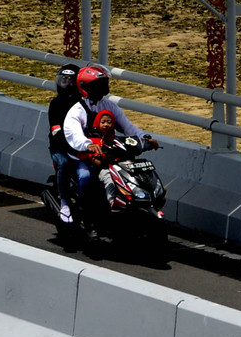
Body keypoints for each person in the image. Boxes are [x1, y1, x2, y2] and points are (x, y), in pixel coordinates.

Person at [62, 65, 158, 221]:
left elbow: (128, 127)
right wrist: (88, 144)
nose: (103, 88)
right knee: (85, 177)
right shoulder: (77, 110)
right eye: (98, 85)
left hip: (109, 153)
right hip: (86, 155)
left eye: (104, 84)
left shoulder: (109, 106)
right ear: (86, 87)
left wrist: (145, 138)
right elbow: (74, 134)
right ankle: (84, 215)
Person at [47, 63, 82, 224]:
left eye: (70, 80)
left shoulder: (83, 103)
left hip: (82, 146)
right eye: (64, 79)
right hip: (60, 147)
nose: (66, 83)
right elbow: (56, 130)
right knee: (65, 163)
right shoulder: (55, 104)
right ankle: (65, 202)